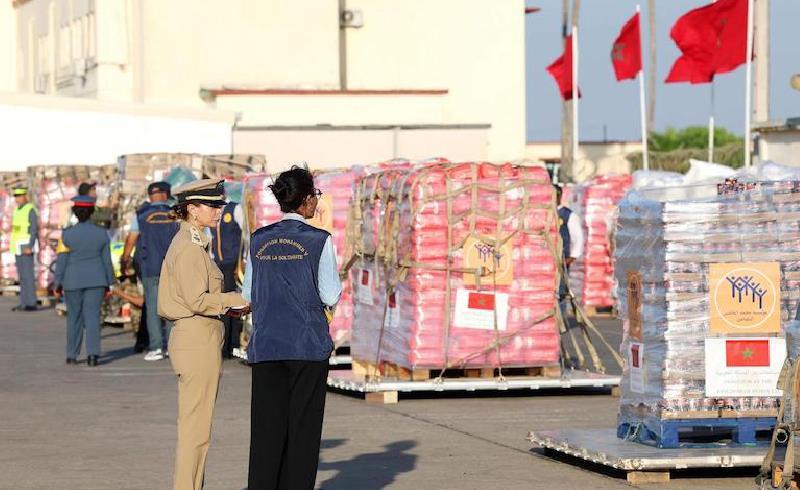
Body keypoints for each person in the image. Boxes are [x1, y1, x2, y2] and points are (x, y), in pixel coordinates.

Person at [243, 166, 342, 490]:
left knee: (267, 433)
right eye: (315, 195)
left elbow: (249, 295)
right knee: (303, 432)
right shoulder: (319, 241)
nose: (317, 202)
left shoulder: (259, 239)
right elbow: (330, 294)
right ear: (306, 199)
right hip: (306, 346)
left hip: (268, 344)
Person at [158, 179, 249, 490]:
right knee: (195, 432)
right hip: (196, 340)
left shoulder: (194, 242)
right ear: (193, 210)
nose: (219, 210)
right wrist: (238, 300)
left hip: (201, 336)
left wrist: (228, 308)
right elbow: (197, 300)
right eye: (212, 205)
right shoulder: (187, 247)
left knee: (198, 431)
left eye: (219, 204)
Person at [121, 182, 179, 361]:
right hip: (173, 267)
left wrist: (124, 260)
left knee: (153, 307)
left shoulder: (141, 214)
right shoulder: (176, 213)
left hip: (150, 267)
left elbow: (131, 239)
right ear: (167, 194)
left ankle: (156, 347)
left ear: (150, 195)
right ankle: (172, 346)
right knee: (172, 307)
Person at [54, 195, 114, 366]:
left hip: (72, 281)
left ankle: (71, 355)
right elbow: (106, 261)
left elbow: (62, 260)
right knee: (93, 317)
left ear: (75, 212)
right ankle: (93, 355)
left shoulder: (66, 235)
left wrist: (57, 282)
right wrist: (110, 282)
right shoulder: (102, 234)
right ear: (92, 212)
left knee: (74, 317)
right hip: (96, 280)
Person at [210, 197, 245, 359]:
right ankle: (225, 345)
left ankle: (232, 344)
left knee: (231, 304)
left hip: (233, 263)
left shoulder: (234, 208)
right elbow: (211, 239)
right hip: (218, 264)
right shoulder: (212, 212)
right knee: (222, 304)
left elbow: (246, 233)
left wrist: (244, 259)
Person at [556, 185, 584, 318]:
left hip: (562, 260)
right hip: (545, 262)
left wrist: (571, 257)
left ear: (559, 196)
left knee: (560, 291)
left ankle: (560, 321)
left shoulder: (568, 215)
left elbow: (578, 237)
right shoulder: (543, 213)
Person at [10, 186, 38, 312]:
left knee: (28, 275)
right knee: (22, 276)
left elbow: (33, 229)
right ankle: (23, 302)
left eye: (19, 196)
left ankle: (31, 303)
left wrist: (30, 246)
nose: (17, 199)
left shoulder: (30, 209)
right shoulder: (17, 210)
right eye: (16, 197)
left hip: (26, 245)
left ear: (25, 196)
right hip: (17, 246)